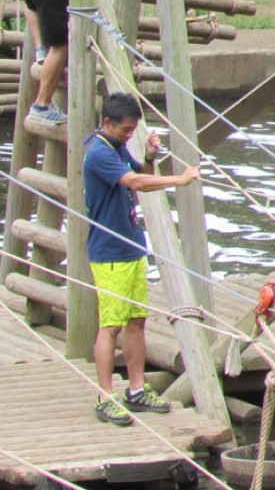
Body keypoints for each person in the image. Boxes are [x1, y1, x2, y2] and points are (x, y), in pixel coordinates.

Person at [84, 93, 198, 426]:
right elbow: (132, 181)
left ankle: (136, 389)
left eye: (133, 130)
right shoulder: (98, 153)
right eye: (125, 130)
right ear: (108, 123)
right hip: (110, 254)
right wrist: (178, 179)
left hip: (132, 247)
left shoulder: (117, 147)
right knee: (110, 327)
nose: (129, 135)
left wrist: (149, 156)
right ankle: (105, 397)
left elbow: (141, 175)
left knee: (136, 321)